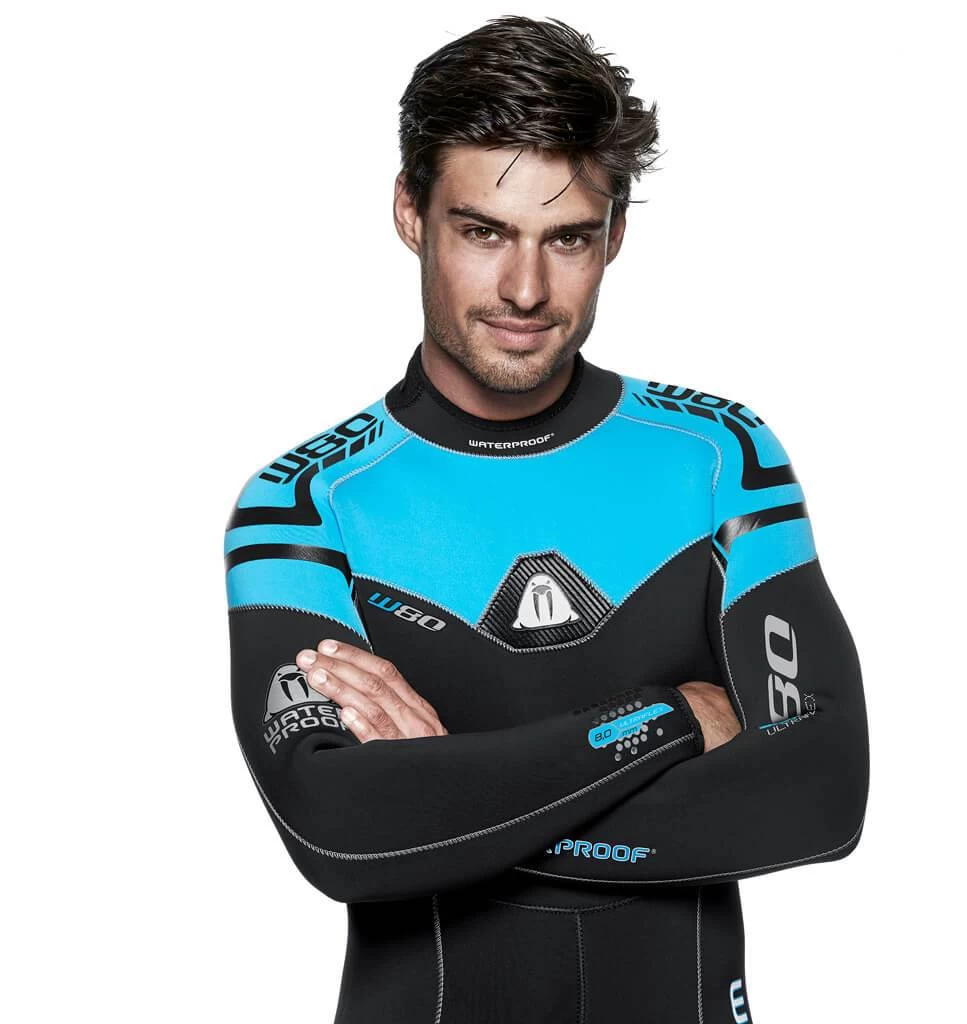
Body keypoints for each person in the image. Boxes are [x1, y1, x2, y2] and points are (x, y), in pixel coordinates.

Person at [223, 15, 869, 1023]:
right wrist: (670, 721)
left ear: (614, 234)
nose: (525, 290)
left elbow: (819, 795)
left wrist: (445, 809)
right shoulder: (307, 505)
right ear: (410, 213)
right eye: (483, 231)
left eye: (566, 237)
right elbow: (340, 831)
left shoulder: (720, 458)